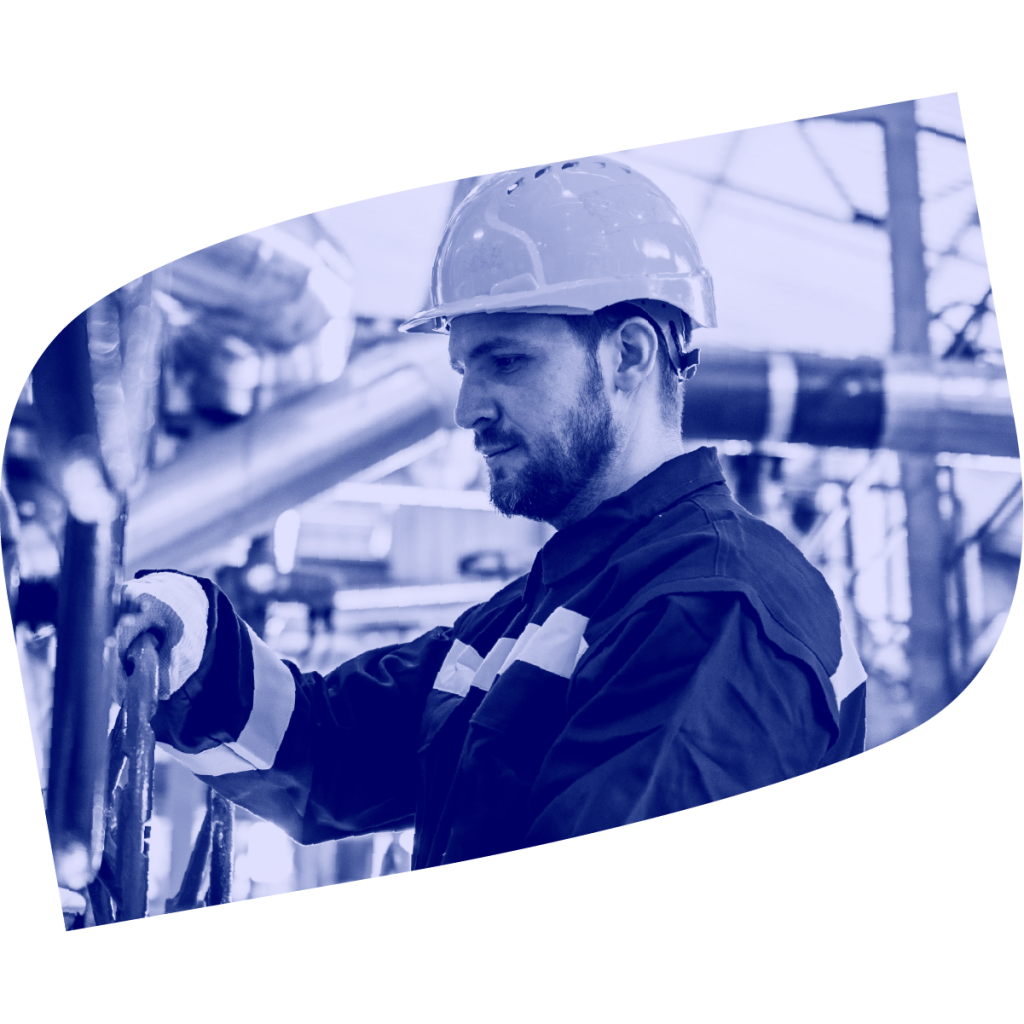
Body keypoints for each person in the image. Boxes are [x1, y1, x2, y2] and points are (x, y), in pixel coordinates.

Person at [116, 158, 867, 871]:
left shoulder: (711, 607)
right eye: (463, 369)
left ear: (629, 356)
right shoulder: (541, 613)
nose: (469, 408)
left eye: (506, 361)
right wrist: (183, 633)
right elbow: (330, 749)